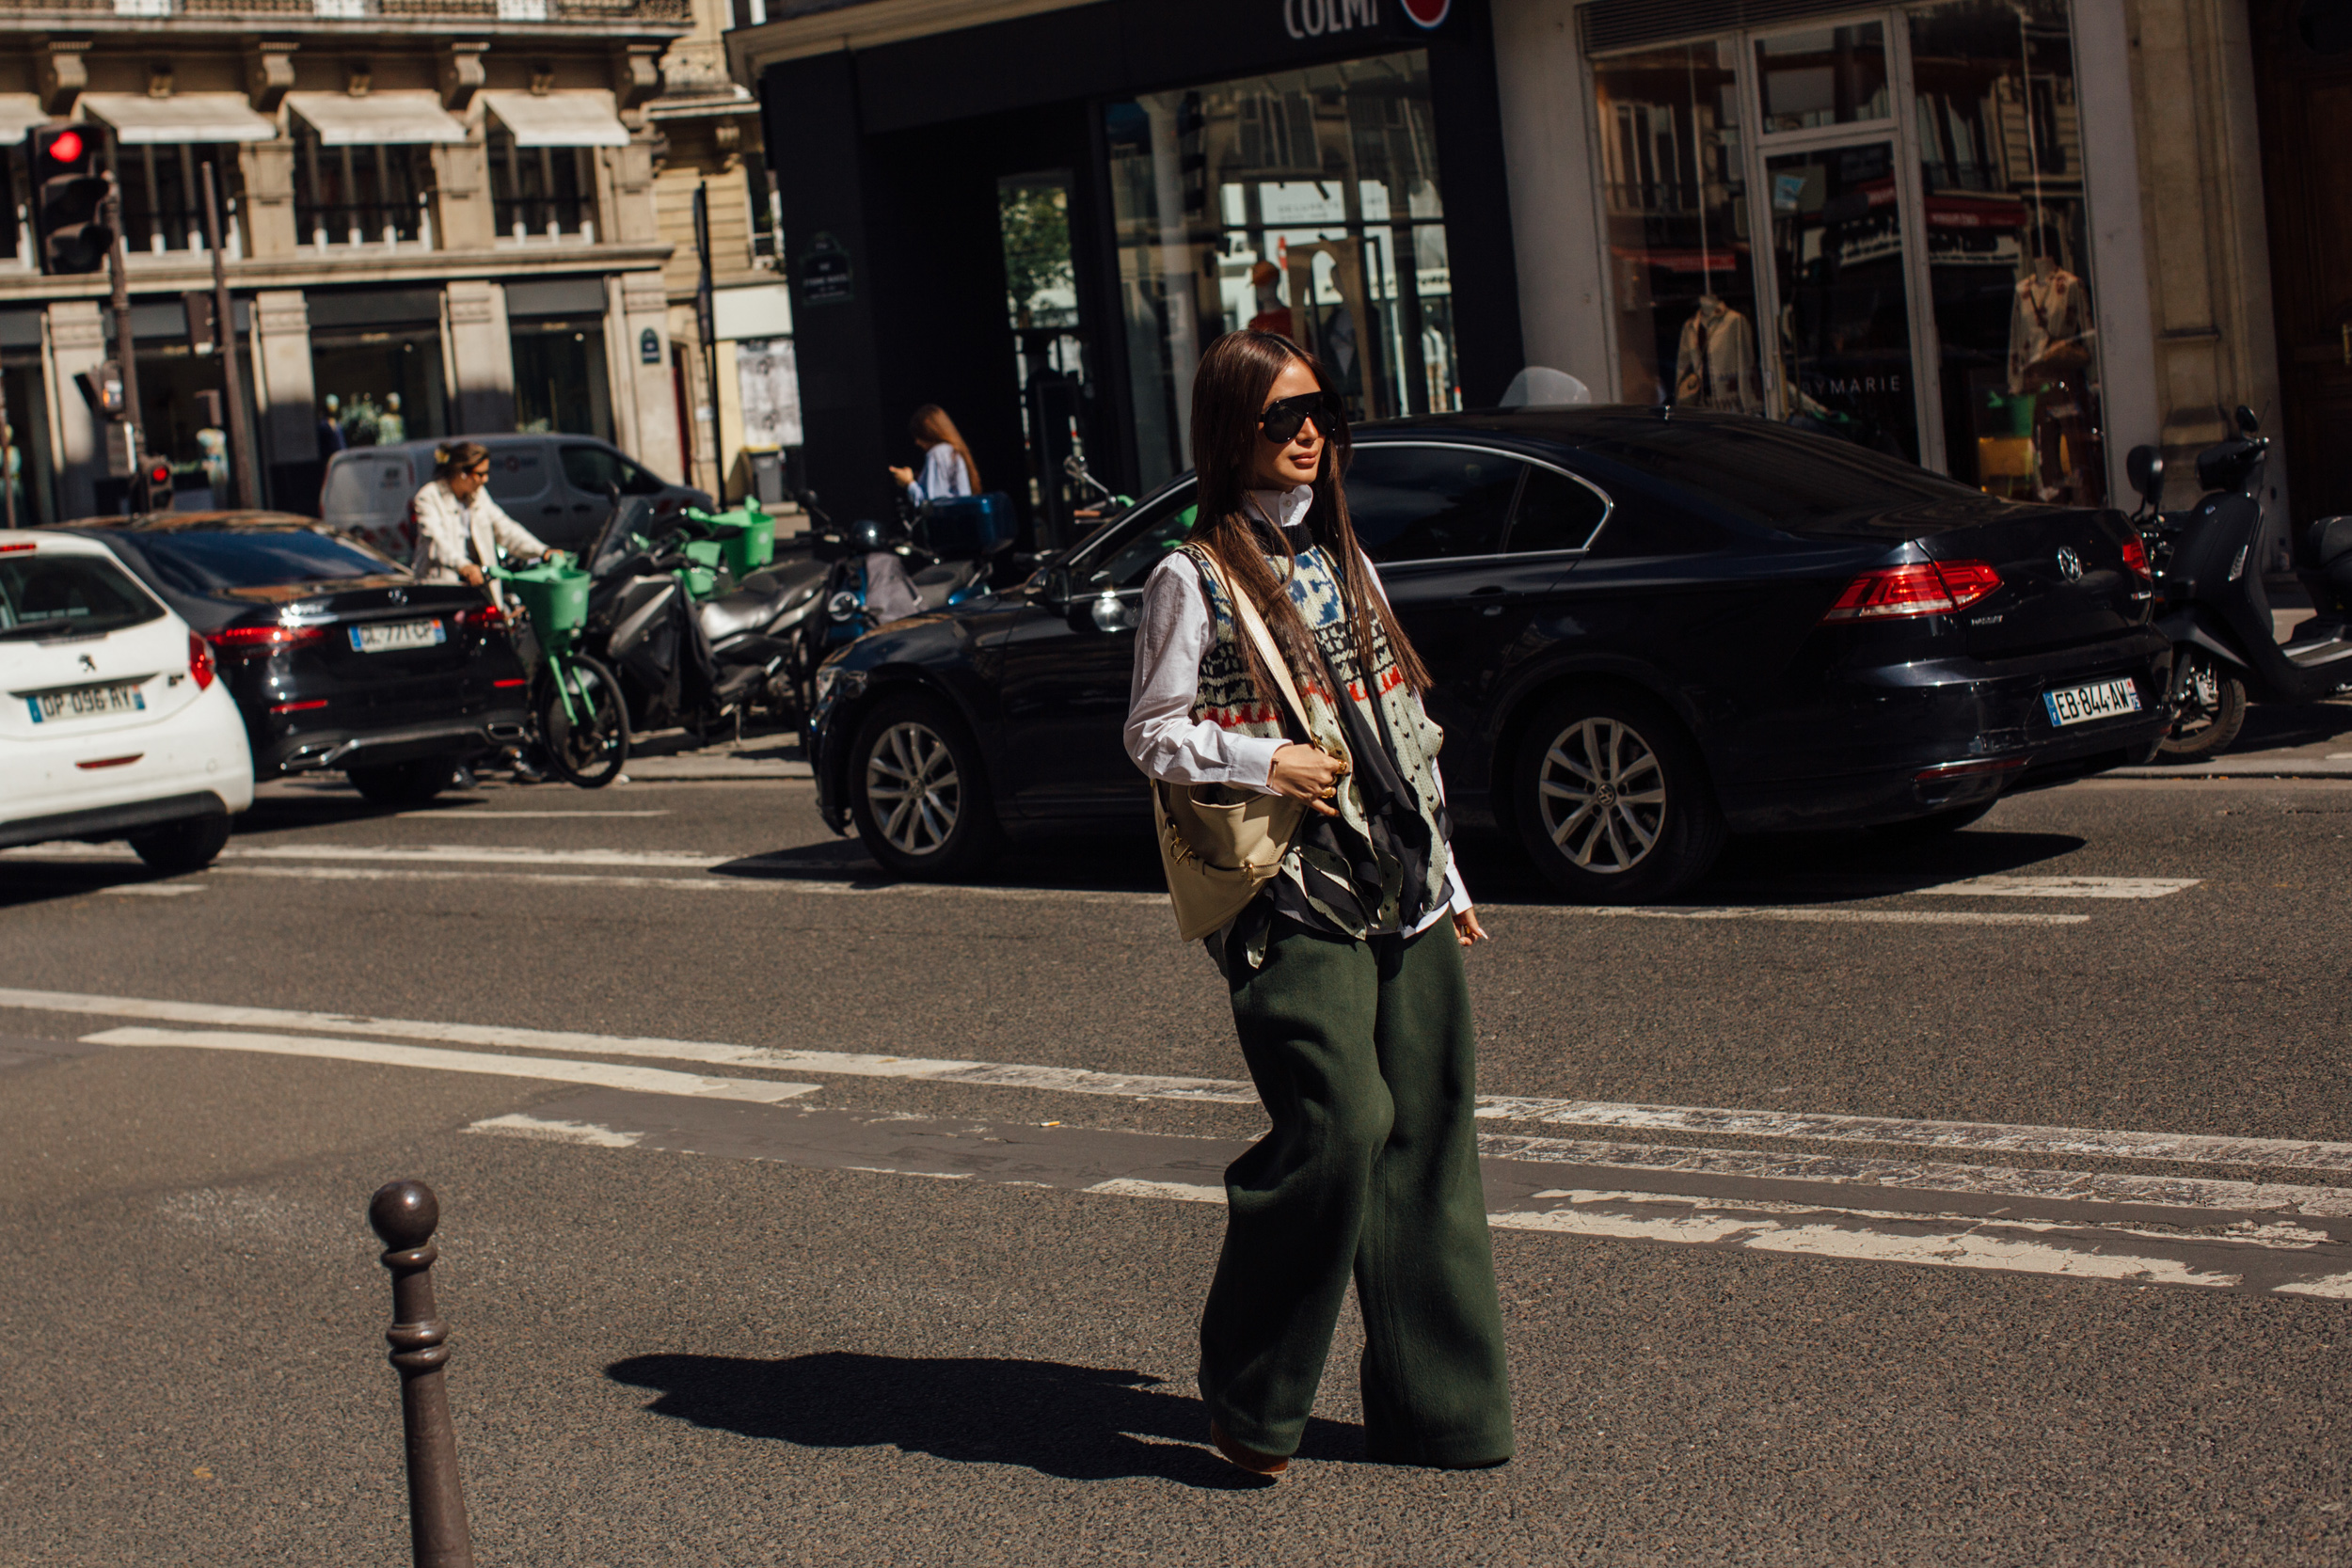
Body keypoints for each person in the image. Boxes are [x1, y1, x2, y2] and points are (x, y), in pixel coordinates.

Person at [1122, 329, 1513, 1479]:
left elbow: (1403, 725)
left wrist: (1449, 875)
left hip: (1402, 879)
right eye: (1286, 415)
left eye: (1322, 412)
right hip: (1290, 887)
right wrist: (1263, 762)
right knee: (1339, 1124)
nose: (1311, 432)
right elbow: (1150, 733)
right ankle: (1252, 1392)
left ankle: (1440, 1411)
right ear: (1231, 430)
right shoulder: (1186, 574)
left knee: (1430, 1133)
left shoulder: (1345, 557)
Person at [409, 442, 562, 590]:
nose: (485, 480)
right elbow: (437, 540)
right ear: (462, 473)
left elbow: (505, 528)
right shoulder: (429, 496)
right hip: (442, 587)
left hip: (480, 583)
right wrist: (464, 566)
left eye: (487, 473)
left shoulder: (479, 495)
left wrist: (541, 551)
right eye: (480, 474)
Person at [885, 404, 977, 507]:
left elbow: (932, 505)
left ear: (929, 432)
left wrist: (909, 483)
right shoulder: (951, 451)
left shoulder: (938, 453)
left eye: (919, 435)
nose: (917, 442)